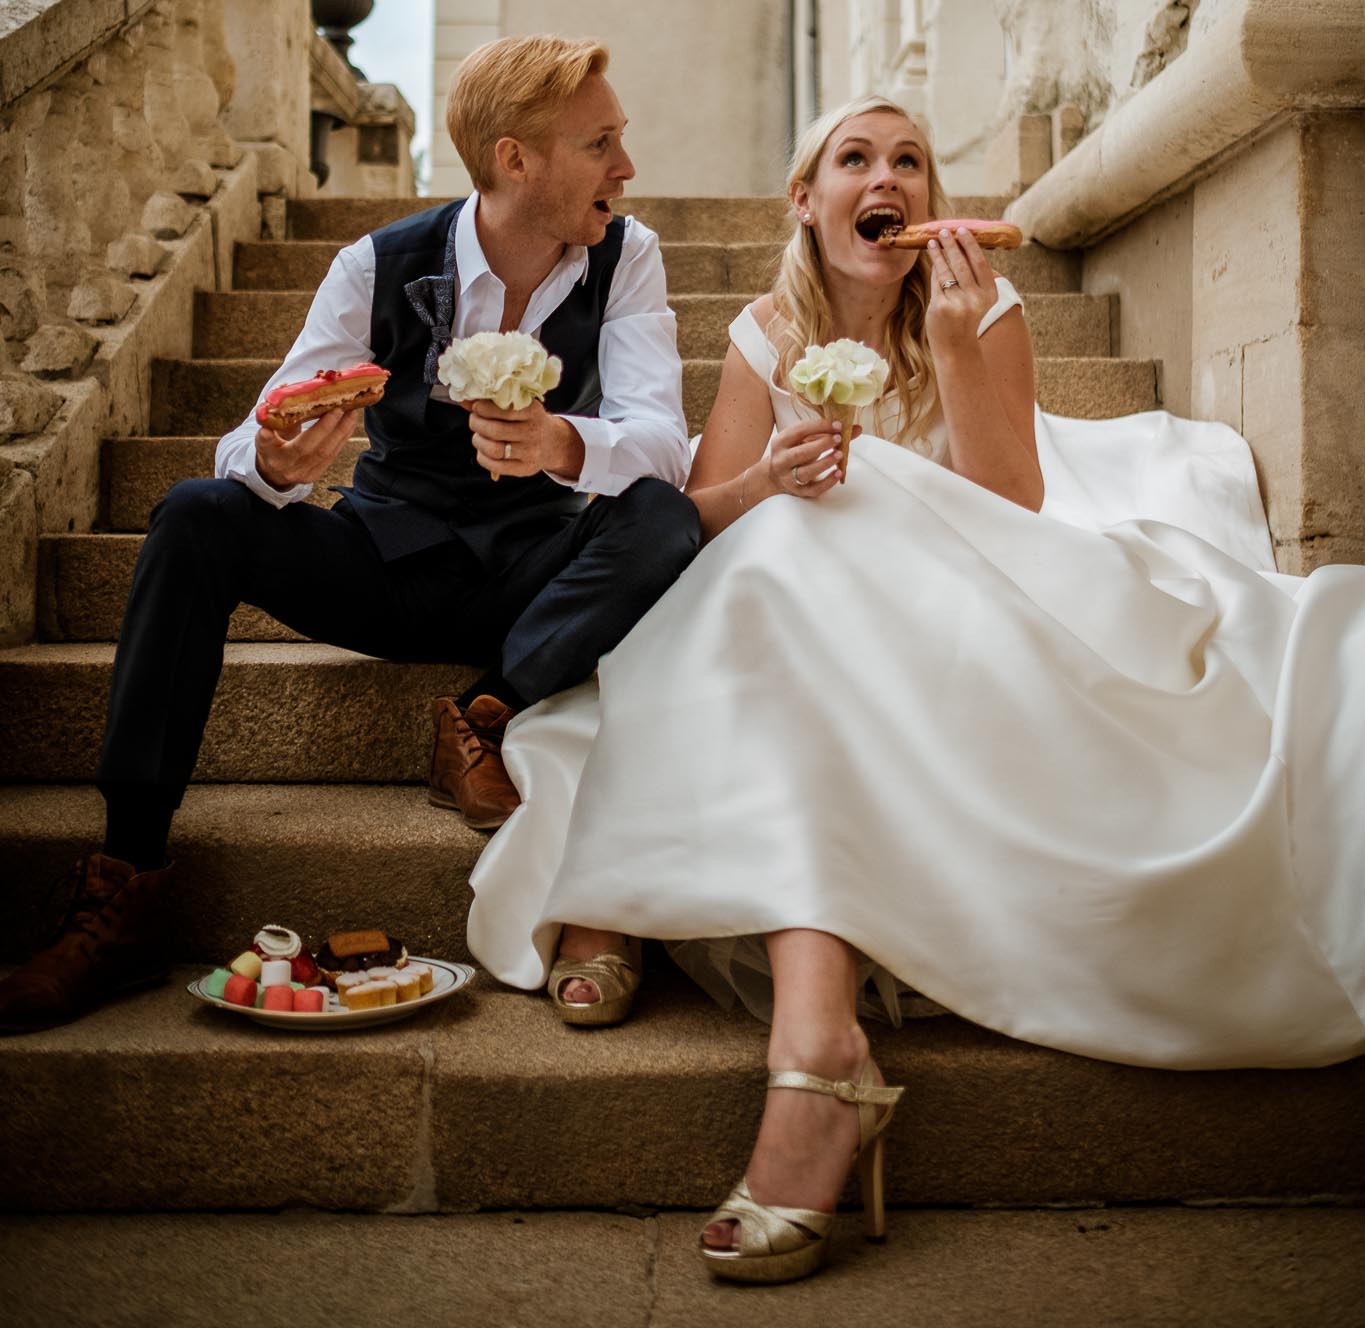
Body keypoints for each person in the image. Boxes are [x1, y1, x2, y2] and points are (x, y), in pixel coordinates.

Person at [465, 94, 1365, 1286]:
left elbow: (1014, 514)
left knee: (802, 560)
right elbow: (701, 524)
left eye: (909, 161)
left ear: (929, 203)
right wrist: (776, 483)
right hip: (795, 596)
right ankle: (817, 1040)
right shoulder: (764, 334)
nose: (883, 176)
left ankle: (757, 1004)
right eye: (854, 158)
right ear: (807, 197)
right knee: (768, 562)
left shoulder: (979, 307)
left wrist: (954, 345)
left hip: (961, 599)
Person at [0, 35, 699, 1034]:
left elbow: (663, 442)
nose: (625, 169)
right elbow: (252, 432)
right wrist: (276, 466)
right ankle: (128, 873)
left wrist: (560, 441)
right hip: (384, 562)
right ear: (514, 158)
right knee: (199, 510)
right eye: (600, 144)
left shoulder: (624, 255)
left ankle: (484, 713)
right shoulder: (375, 263)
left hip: (535, 585)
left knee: (665, 516)